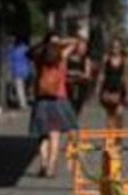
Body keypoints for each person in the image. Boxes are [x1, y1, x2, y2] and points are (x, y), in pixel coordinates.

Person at [27, 34, 77, 178]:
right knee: (54, 135)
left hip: (41, 99)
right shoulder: (61, 55)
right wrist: (60, 42)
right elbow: (75, 42)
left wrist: (46, 43)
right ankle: (51, 167)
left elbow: (29, 52)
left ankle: (43, 163)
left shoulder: (39, 57)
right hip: (58, 100)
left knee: (43, 135)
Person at [99, 39, 128, 129]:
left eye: (117, 46)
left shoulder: (124, 60)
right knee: (110, 115)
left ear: (120, 48)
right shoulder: (106, 59)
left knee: (119, 114)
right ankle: (109, 139)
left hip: (119, 89)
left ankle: (118, 138)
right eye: (113, 46)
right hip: (108, 88)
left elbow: (125, 76)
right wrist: (99, 89)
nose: (115, 48)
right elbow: (102, 74)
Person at [64, 35, 92, 118]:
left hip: (80, 86)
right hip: (68, 85)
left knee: (77, 108)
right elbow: (63, 70)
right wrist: (70, 73)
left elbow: (87, 74)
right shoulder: (68, 57)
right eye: (81, 46)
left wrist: (78, 74)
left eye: (84, 47)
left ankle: (74, 123)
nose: (83, 49)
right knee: (67, 108)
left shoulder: (86, 59)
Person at [6, 36, 32, 109]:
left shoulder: (12, 50)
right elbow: (30, 60)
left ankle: (22, 103)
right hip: (26, 71)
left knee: (19, 88)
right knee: (24, 87)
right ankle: (24, 102)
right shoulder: (26, 49)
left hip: (16, 71)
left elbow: (8, 59)